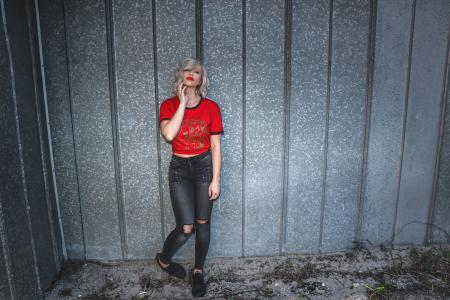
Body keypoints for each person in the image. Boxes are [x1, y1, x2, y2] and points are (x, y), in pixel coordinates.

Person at [155, 57, 223, 297]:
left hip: (204, 166)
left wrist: (215, 179)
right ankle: (163, 260)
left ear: (201, 78)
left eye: (197, 71)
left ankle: (198, 271)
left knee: (203, 222)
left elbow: (215, 146)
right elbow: (170, 135)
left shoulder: (212, 107)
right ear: (181, 75)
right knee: (185, 227)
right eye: (187, 69)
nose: (191, 73)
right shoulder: (168, 105)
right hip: (179, 168)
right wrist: (182, 103)